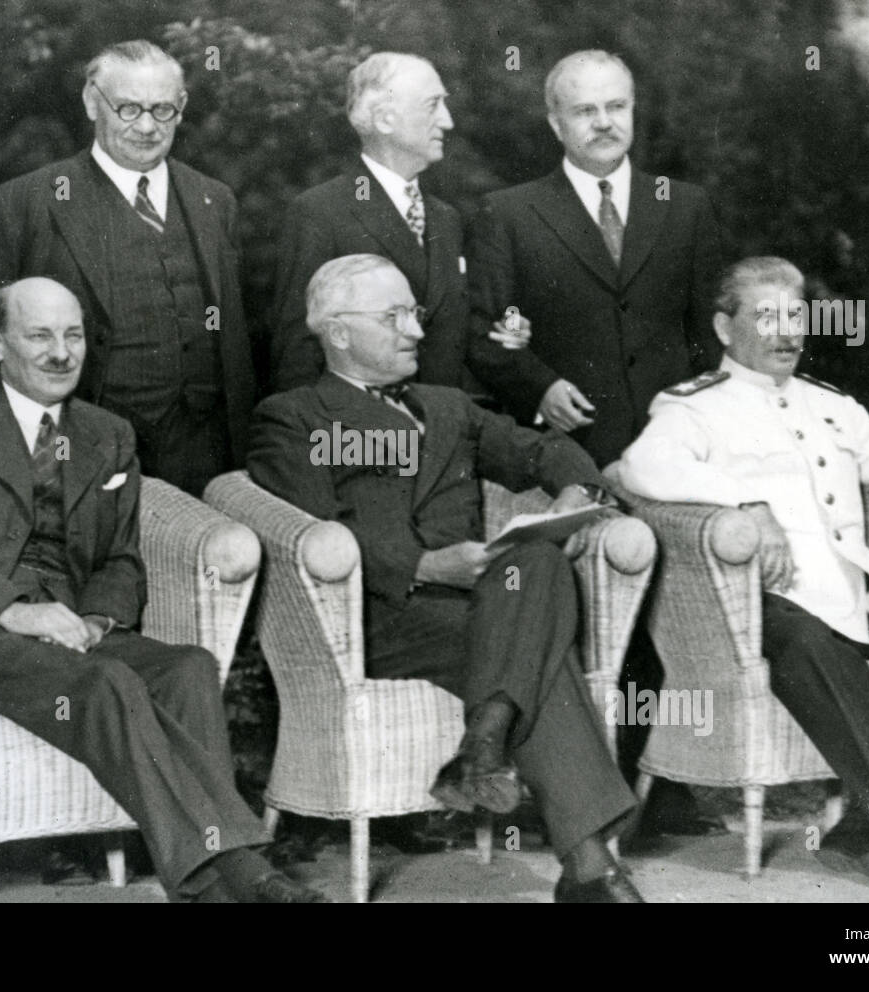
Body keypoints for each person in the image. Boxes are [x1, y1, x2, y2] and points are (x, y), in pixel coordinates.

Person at [0, 277, 327, 903]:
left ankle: (223, 872)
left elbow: (121, 556)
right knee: (107, 683)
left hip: (74, 633)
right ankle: (226, 878)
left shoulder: (106, 432)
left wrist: (96, 620)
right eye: (39, 336)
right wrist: (11, 611)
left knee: (189, 669)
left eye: (73, 335)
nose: (61, 353)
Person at [247, 254, 644, 902]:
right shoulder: (295, 416)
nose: (415, 331)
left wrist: (577, 488)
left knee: (539, 559)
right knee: (540, 649)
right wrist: (424, 565)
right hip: (377, 616)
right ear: (339, 332)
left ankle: (486, 743)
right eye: (394, 316)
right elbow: (304, 526)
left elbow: (542, 448)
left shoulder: (448, 406)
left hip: (482, 605)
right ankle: (588, 866)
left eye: (415, 313)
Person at [610, 256, 869, 897]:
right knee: (812, 646)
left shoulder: (831, 405)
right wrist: (741, 501)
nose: (786, 332)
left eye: (795, 315)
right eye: (766, 316)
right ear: (723, 326)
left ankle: (862, 823)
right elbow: (639, 467)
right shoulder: (695, 408)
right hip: (766, 603)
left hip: (854, 595)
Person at [466, 50, 726, 835]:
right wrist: (538, 384)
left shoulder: (684, 206)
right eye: (586, 111)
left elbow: (709, 335)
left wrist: (698, 415)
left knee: (675, 603)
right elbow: (487, 338)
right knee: (588, 608)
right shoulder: (510, 213)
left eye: (618, 107)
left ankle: (666, 778)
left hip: (669, 445)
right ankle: (590, 790)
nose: (606, 123)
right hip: (570, 451)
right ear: (555, 122)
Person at [0, 40, 256, 499]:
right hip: (84, 455)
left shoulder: (215, 200)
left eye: (162, 110)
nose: (146, 126)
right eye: (127, 108)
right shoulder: (23, 206)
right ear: (92, 101)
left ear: (182, 107)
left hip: (206, 454)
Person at [271, 52, 507, 394]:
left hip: (445, 432)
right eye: (433, 105)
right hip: (362, 437)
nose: (447, 121)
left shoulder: (446, 218)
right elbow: (297, 356)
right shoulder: (319, 213)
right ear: (384, 119)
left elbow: (458, 340)